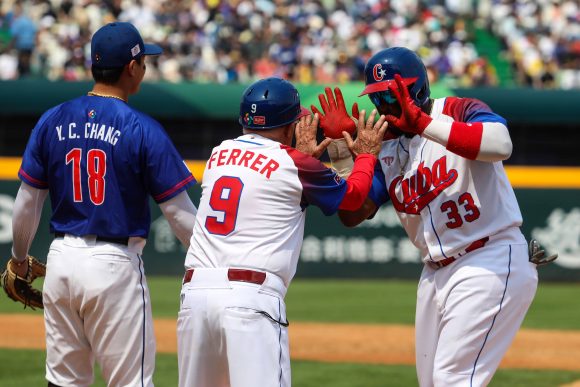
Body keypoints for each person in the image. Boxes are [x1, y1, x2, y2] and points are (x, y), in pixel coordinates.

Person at [315, 47, 539, 386]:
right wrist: (342, 153)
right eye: (378, 98)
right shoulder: (385, 144)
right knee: (433, 382)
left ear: (417, 88)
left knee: (452, 378)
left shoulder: (457, 109)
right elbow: (354, 212)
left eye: (393, 94)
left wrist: (423, 124)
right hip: (434, 274)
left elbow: (500, 143)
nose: (386, 105)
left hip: (488, 257)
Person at [11, 22, 197, 386]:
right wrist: (213, 260)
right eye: (144, 60)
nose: (145, 67)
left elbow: (27, 202)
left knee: (64, 382)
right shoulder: (142, 128)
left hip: (61, 262)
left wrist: (19, 259)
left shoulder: (52, 119)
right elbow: (178, 215)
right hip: (114, 267)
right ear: (132, 68)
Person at [176, 77, 387, 387]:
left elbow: (272, 184)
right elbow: (354, 199)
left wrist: (304, 158)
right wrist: (365, 154)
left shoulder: (219, 154)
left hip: (195, 295)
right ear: (289, 126)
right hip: (250, 299)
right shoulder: (294, 164)